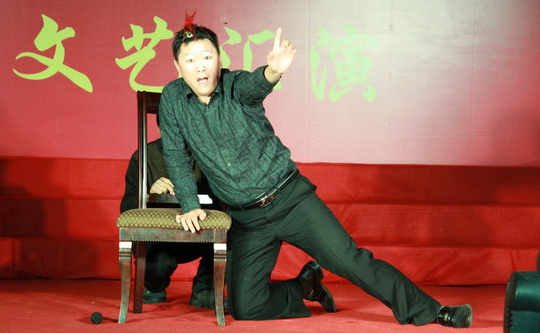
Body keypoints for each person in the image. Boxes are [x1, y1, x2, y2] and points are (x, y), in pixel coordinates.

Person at [158, 17, 473, 328]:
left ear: (218, 59)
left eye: (207, 57)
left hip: (290, 199)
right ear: (177, 66)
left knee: (351, 261)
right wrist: (190, 204)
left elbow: (256, 86)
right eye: (190, 60)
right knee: (246, 306)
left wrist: (273, 71)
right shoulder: (172, 99)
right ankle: (305, 287)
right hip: (247, 219)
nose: (200, 67)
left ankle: (432, 310)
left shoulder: (236, 85)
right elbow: (175, 154)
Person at [120, 118, 222, 309]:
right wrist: (149, 193)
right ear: (160, 128)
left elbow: (222, 202)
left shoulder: (208, 154)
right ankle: (154, 287)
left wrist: (198, 188)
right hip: (157, 239)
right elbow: (126, 208)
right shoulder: (143, 157)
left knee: (237, 224)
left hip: (197, 231)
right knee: (159, 264)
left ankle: (204, 289)